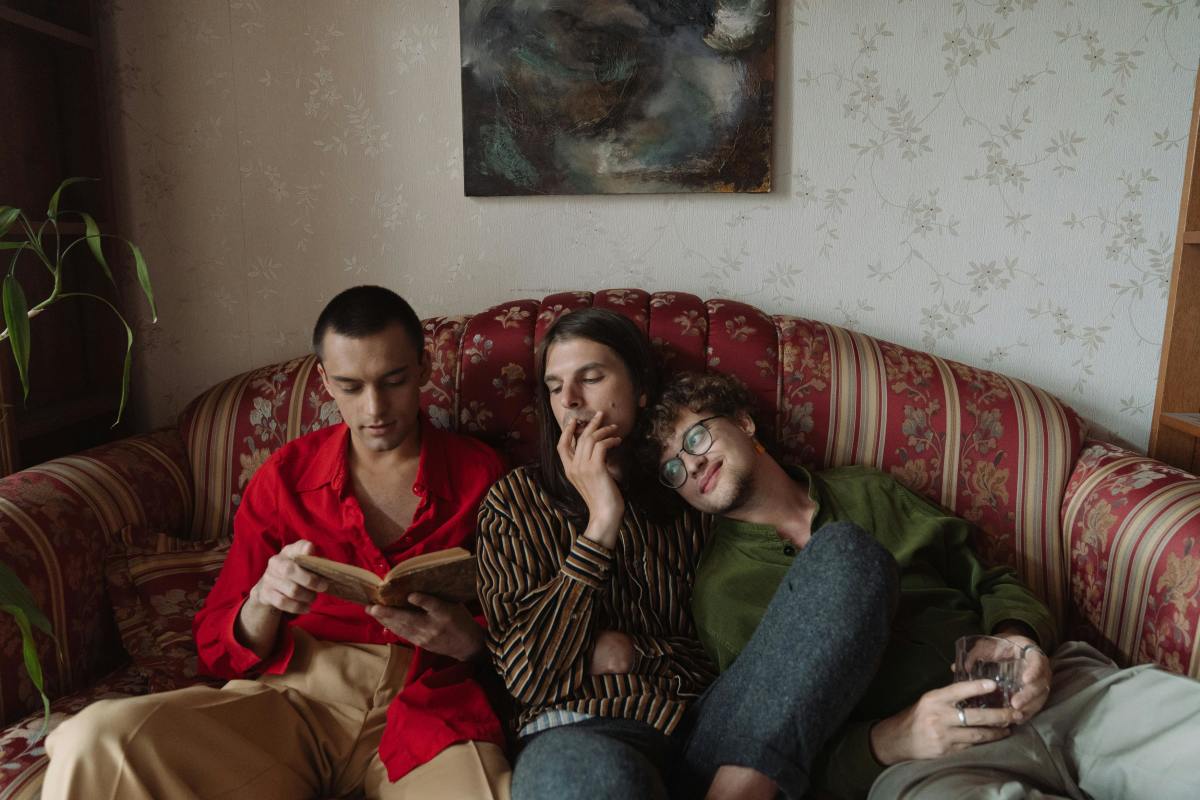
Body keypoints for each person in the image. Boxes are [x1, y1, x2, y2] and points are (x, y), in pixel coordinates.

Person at [43, 286, 512, 800]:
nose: (374, 407)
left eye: (394, 381)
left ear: (422, 369)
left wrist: (468, 641)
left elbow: (531, 626)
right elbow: (214, 647)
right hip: (294, 700)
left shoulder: (483, 475)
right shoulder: (286, 476)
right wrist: (263, 600)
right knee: (98, 739)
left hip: (429, 705)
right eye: (350, 386)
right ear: (323, 381)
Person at [647, 370, 1200, 800]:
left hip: (1055, 693)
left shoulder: (867, 490)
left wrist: (1019, 639)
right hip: (928, 766)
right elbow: (774, 749)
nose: (690, 467)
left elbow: (989, 576)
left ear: (744, 423)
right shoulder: (721, 593)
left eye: (696, 438)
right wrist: (894, 739)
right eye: (672, 470)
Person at [476, 309, 897, 800]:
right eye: (554, 387)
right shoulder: (513, 504)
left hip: (708, 734)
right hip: (579, 734)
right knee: (580, 777)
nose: (570, 400)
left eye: (591, 378)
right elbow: (528, 678)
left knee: (845, 551)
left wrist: (635, 651)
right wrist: (601, 522)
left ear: (640, 390)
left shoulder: (693, 491)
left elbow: (753, 642)